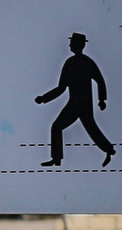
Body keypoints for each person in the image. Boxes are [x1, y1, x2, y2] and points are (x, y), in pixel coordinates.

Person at [37, 32, 115, 168]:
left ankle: (108, 150)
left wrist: (102, 100)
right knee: (82, 127)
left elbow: (100, 80)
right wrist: (44, 98)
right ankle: (57, 158)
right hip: (75, 103)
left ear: (79, 45)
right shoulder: (70, 63)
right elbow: (61, 87)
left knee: (64, 127)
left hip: (81, 104)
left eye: (72, 43)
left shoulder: (85, 62)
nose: (70, 45)